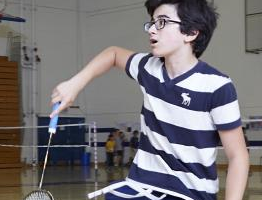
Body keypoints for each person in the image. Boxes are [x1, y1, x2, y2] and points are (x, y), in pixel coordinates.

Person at [48, 0, 248, 199]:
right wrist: (75, 84)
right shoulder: (148, 68)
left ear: (191, 32)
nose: (152, 29)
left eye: (162, 22)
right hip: (142, 186)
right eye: (152, 22)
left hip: (190, 194)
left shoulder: (217, 86)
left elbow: (238, 156)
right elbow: (113, 53)